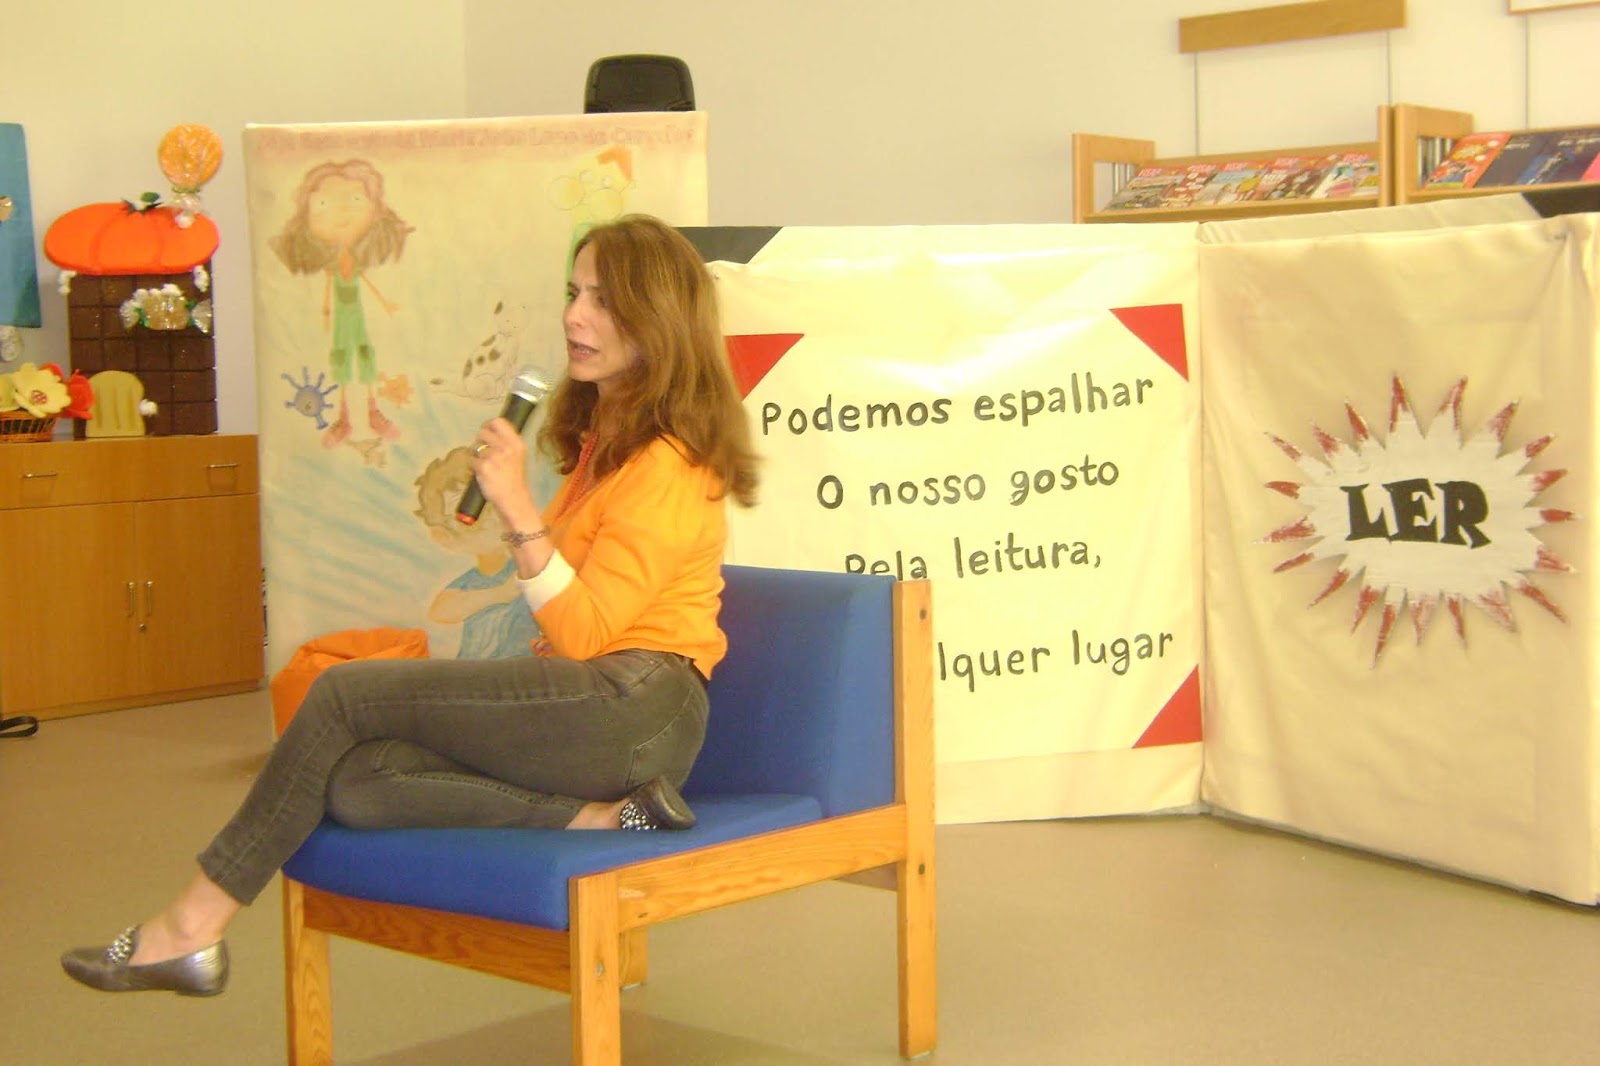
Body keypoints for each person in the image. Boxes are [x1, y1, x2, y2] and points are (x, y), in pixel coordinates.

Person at [62, 214, 760, 996]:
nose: (573, 315)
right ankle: (599, 817)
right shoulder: (609, 447)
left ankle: (192, 927)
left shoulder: (670, 464)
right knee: (362, 781)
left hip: (638, 708)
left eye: (603, 300)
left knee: (342, 695)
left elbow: (586, 633)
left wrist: (516, 509)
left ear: (658, 319)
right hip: (601, 708)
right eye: (574, 292)